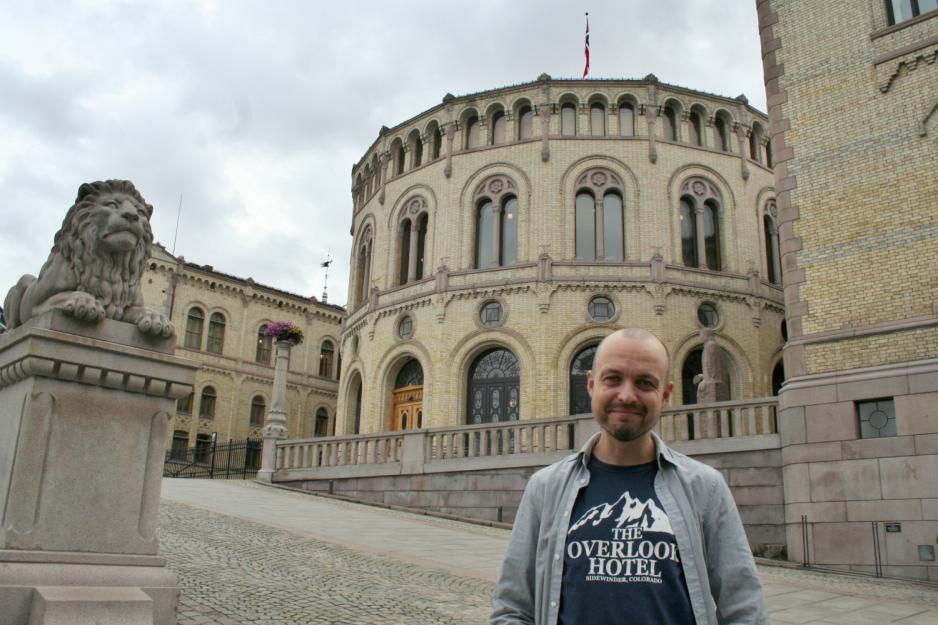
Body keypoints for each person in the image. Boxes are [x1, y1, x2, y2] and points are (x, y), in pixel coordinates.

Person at [491, 328, 767, 625]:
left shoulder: (705, 487)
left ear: (665, 395)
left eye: (644, 383)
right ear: (592, 385)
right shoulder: (546, 488)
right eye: (613, 379)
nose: (626, 395)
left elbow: (744, 608)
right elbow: (512, 608)